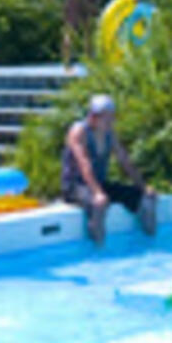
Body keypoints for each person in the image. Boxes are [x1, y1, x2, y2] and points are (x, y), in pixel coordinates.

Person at [61, 94, 157, 245]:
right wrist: (98, 193)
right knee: (99, 204)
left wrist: (143, 187)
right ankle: (98, 250)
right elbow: (84, 163)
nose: (110, 121)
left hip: (97, 183)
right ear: (93, 116)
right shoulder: (79, 132)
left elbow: (124, 161)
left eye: (112, 117)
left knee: (146, 198)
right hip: (75, 186)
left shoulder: (109, 134)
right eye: (106, 117)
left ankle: (150, 243)